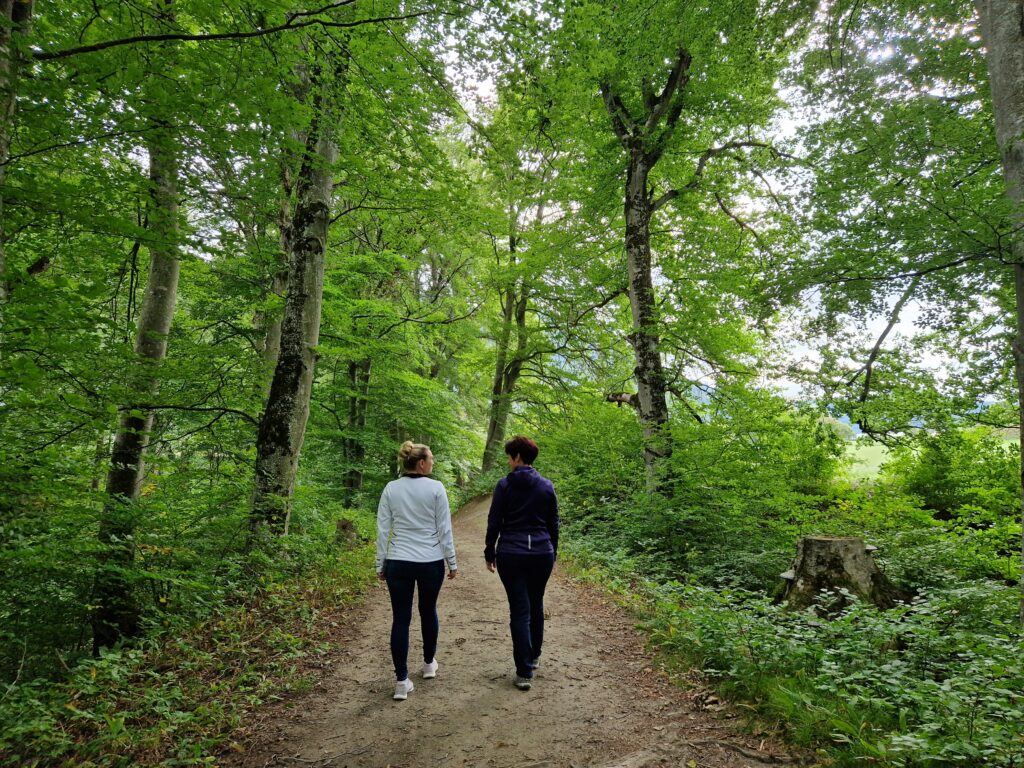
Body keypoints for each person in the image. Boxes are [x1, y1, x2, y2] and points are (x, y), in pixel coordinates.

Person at [377, 440, 458, 701]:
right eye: (431, 458)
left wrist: (381, 563)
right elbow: (444, 529)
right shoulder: (436, 488)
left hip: (398, 561)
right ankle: (428, 664)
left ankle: (402, 682)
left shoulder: (391, 488)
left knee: (401, 618)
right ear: (421, 463)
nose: (433, 462)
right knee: (428, 610)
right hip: (430, 562)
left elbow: (382, 529)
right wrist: (452, 562)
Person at [484, 435, 560, 691]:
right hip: (541, 553)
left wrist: (489, 551)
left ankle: (524, 671)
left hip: (511, 553)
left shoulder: (504, 486)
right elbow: (553, 524)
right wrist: (554, 552)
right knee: (535, 603)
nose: (508, 461)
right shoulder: (547, 486)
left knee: (519, 610)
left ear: (518, 457)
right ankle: (534, 656)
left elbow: (494, 521)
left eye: (509, 456)